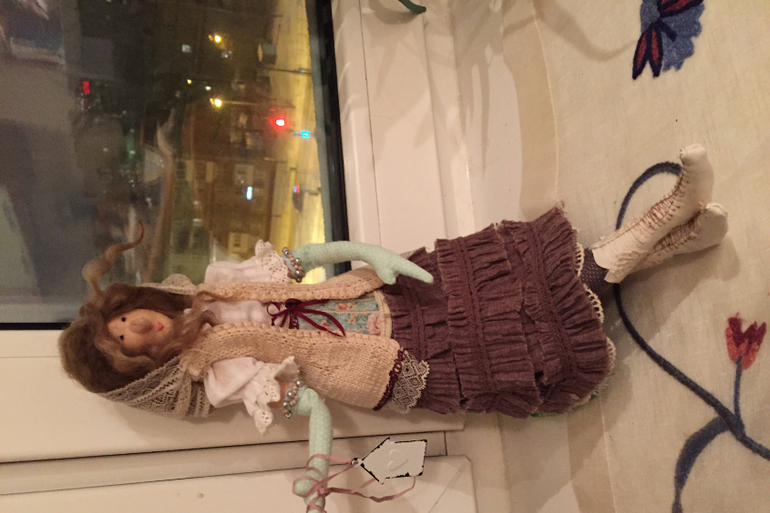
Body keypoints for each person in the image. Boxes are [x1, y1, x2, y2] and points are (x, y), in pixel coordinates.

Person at [59, 145, 728, 434]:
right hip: (394, 362)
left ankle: (677, 236)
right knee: (531, 320)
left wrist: (364, 252)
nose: (139, 327)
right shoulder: (223, 377)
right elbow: (308, 405)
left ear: (137, 300)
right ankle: (665, 218)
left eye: (127, 317)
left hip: (386, 296)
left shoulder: (222, 286)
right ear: (146, 368)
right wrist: (320, 461)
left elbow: (305, 258)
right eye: (129, 343)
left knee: (521, 282)